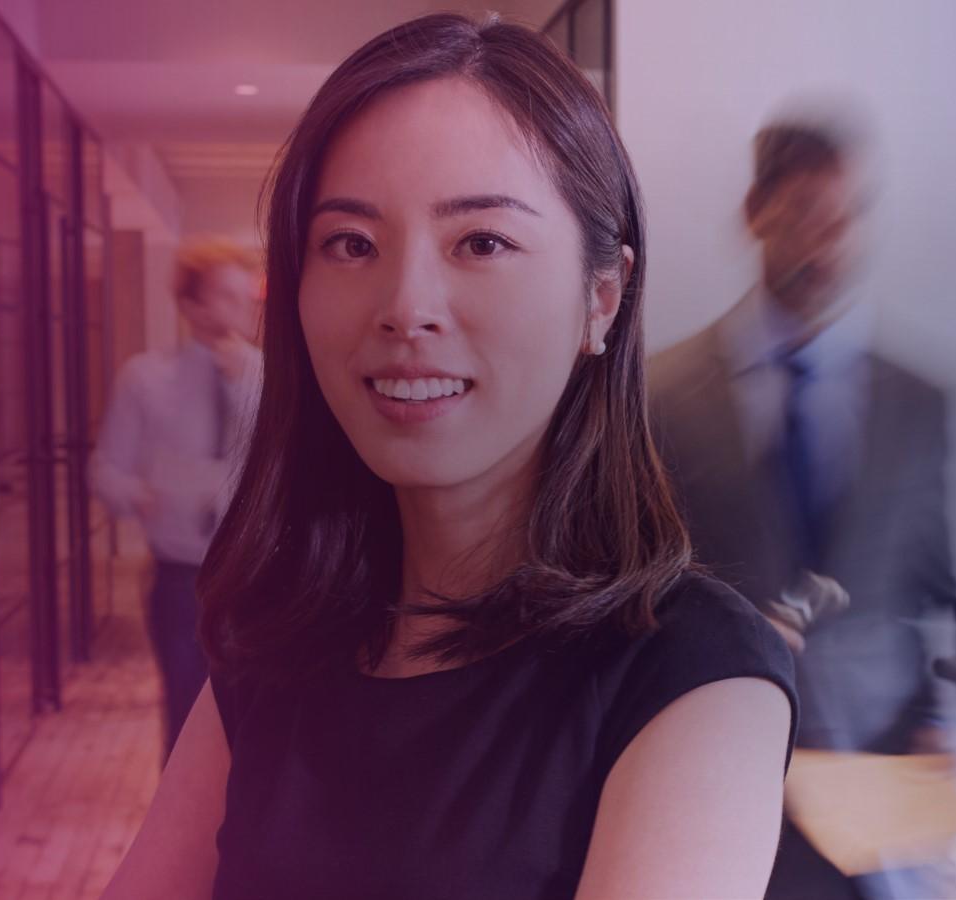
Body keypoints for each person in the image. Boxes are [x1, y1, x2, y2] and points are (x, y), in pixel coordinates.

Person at [99, 14, 796, 899]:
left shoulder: (690, 671)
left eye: (481, 243)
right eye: (352, 244)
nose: (405, 306)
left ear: (603, 297)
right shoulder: (275, 639)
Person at [649, 114, 956, 899]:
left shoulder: (920, 401)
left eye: (847, 219)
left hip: (880, 762)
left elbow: (934, 581)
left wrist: (939, 718)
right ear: (757, 211)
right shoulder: (658, 396)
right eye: (805, 218)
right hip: (720, 749)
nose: (830, 244)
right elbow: (637, 580)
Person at [88, 237, 261, 755]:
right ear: (191, 306)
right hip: (181, 577)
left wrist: (250, 383)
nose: (243, 309)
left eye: (246, 298)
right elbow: (105, 469)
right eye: (228, 297)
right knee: (187, 720)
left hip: (258, 578)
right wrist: (137, 495)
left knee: (258, 722)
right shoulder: (146, 378)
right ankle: (185, 834)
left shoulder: (273, 379)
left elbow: (292, 466)